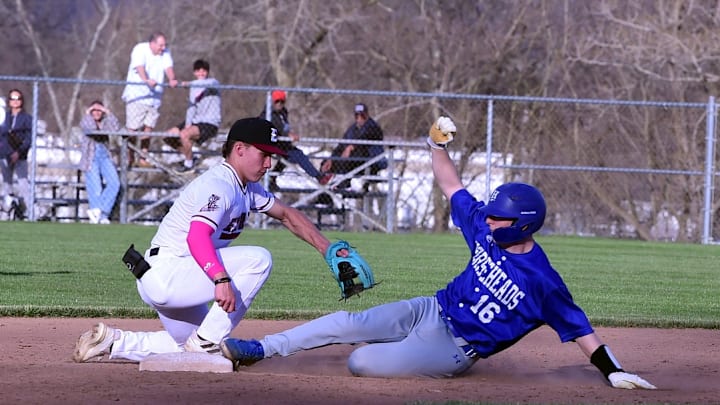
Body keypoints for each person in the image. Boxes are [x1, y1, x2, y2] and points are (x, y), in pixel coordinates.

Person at [219, 117, 657, 389]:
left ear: (522, 225)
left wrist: (611, 370)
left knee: (360, 360)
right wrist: (435, 147)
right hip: (431, 308)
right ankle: (261, 348)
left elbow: (582, 331)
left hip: (456, 348)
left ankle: (401, 351)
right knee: (349, 323)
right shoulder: (485, 230)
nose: (487, 221)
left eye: (498, 219)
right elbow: (452, 185)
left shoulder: (543, 282)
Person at [72, 117, 353, 364]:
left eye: (272, 156)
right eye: (264, 154)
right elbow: (197, 236)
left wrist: (326, 249)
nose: (269, 163)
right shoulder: (220, 185)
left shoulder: (246, 188)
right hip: (170, 274)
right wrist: (220, 279)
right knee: (258, 259)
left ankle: (113, 341)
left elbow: (288, 214)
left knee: (191, 346)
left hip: (170, 276)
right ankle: (205, 343)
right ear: (239, 149)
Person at [121, 31, 178, 168]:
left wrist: (172, 79)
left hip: (154, 98)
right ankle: (130, 156)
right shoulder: (140, 49)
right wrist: (146, 80)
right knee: (133, 129)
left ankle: (143, 157)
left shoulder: (165, 52)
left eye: (164, 45)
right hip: (138, 96)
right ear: (152, 43)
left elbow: (168, 67)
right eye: (160, 45)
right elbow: (139, 67)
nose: (163, 48)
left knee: (149, 128)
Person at [259, 90, 329, 190]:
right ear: (272, 101)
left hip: (281, 143)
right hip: (270, 144)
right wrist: (288, 134)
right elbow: (276, 126)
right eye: (277, 101)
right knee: (297, 155)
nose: (279, 104)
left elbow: (284, 126)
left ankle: (272, 178)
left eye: (282, 102)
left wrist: (287, 135)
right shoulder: (268, 113)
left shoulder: (283, 112)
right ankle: (319, 177)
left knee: (290, 157)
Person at [164, 59, 222, 173]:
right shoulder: (194, 88)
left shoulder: (213, 83)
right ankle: (190, 156)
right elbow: (191, 108)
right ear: (194, 72)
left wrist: (188, 84)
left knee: (184, 135)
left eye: (204, 70)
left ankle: (188, 164)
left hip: (209, 123)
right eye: (198, 70)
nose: (201, 73)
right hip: (196, 121)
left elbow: (208, 84)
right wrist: (187, 124)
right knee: (168, 136)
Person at [319, 103, 386, 190]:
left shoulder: (373, 126)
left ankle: (345, 182)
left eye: (362, 115)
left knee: (350, 157)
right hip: (349, 160)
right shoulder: (352, 129)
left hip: (368, 160)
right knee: (326, 164)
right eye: (357, 115)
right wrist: (331, 158)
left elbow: (366, 139)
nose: (360, 118)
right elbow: (341, 145)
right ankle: (324, 194)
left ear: (367, 115)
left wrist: (351, 147)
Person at [79, 100, 121, 224]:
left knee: (115, 183)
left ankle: (101, 211)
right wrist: (88, 113)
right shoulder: (86, 121)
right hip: (91, 157)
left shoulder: (105, 122)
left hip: (105, 155)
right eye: (94, 110)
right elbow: (90, 128)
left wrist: (108, 112)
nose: (97, 113)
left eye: (99, 110)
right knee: (96, 188)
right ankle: (97, 215)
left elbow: (116, 128)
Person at [0, 89, 33, 219]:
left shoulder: (27, 118)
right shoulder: (4, 116)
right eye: (12, 99)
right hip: (5, 156)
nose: (15, 101)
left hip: (20, 156)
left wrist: (18, 152)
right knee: (7, 184)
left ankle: (31, 213)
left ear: (22, 101)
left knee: (23, 183)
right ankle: (6, 213)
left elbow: (28, 139)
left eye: (18, 98)